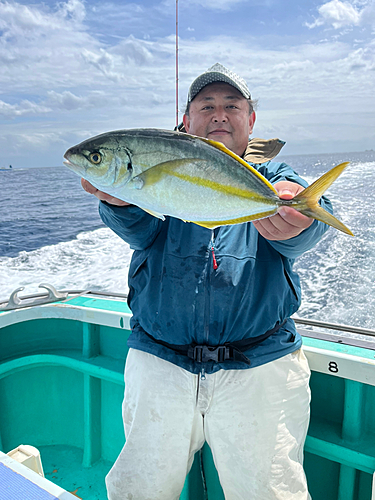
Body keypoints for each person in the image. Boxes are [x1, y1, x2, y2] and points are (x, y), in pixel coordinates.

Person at [82, 63, 332, 500]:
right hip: (160, 363)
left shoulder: (273, 177)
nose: (219, 115)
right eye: (207, 106)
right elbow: (140, 231)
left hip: (260, 367)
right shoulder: (156, 167)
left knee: (270, 493)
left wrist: (298, 218)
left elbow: (303, 222)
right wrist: (122, 202)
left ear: (250, 121)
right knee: (138, 490)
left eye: (231, 106)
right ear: (187, 121)